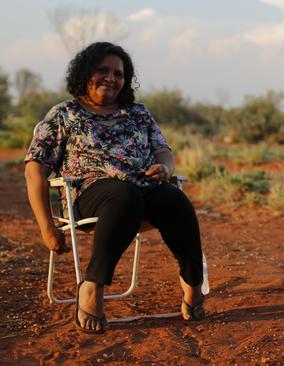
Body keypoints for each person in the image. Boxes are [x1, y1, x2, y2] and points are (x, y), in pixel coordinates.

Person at [24, 42, 205, 334]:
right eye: (102, 70)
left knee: (175, 200)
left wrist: (166, 169)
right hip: (89, 194)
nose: (111, 78)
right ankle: (92, 287)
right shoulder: (64, 114)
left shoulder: (138, 113)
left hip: (141, 190)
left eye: (118, 74)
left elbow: (163, 152)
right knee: (124, 194)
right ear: (85, 73)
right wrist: (46, 226)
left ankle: (193, 283)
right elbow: (35, 169)